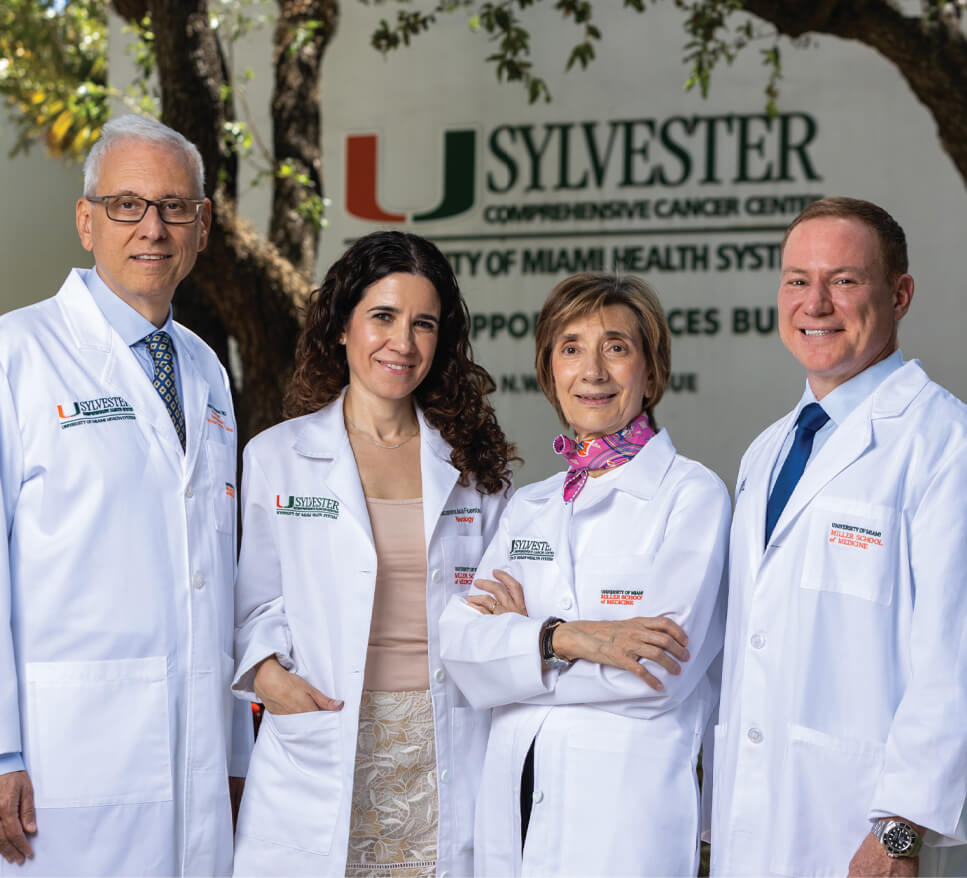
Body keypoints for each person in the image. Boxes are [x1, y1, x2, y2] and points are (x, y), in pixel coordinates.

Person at [0, 115, 250, 875]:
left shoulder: (206, 370)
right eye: (126, 205)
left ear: (202, 227)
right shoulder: (16, 355)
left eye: (175, 206)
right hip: (60, 757)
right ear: (86, 220)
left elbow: (217, 573)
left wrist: (235, 751)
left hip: (198, 754)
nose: (153, 227)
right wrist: (1, 748)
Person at [231, 230, 516, 877]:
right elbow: (256, 605)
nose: (402, 343)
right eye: (383, 316)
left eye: (423, 324)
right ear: (341, 326)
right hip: (325, 733)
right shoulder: (278, 457)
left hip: (445, 741)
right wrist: (269, 675)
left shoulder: (473, 467)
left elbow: (502, 609)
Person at [438, 272, 730, 876]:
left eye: (615, 347)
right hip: (515, 798)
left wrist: (519, 652)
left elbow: (657, 670)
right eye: (570, 348)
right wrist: (569, 639)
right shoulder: (532, 504)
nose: (592, 371)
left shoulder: (692, 495)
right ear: (551, 373)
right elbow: (463, 651)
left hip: (623, 814)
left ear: (651, 371)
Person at [712, 197, 967, 877]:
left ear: (900, 295)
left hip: (869, 833)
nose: (815, 303)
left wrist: (899, 831)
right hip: (753, 820)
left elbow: (955, 657)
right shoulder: (767, 451)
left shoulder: (944, 443)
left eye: (844, 280)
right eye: (797, 280)